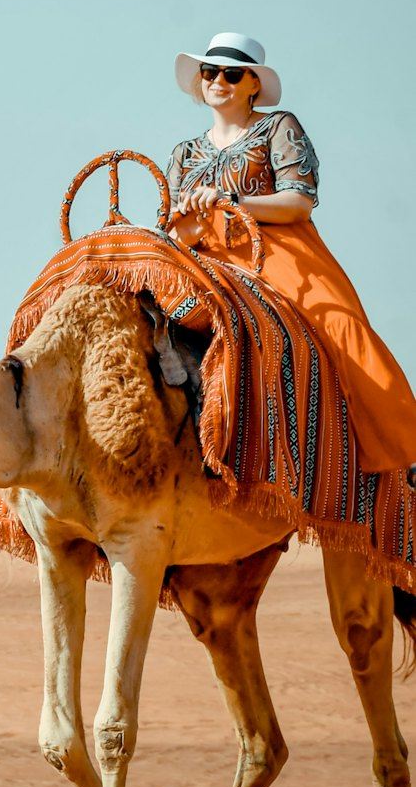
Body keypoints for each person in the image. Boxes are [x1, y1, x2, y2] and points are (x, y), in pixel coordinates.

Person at [169, 31, 416, 475]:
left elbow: (299, 202)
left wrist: (230, 201)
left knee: (340, 326)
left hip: (277, 250)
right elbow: (172, 226)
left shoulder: (278, 126)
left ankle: (406, 447)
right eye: (209, 72)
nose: (218, 81)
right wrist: (188, 223)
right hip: (204, 257)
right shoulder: (183, 153)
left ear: (253, 84)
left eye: (231, 74)